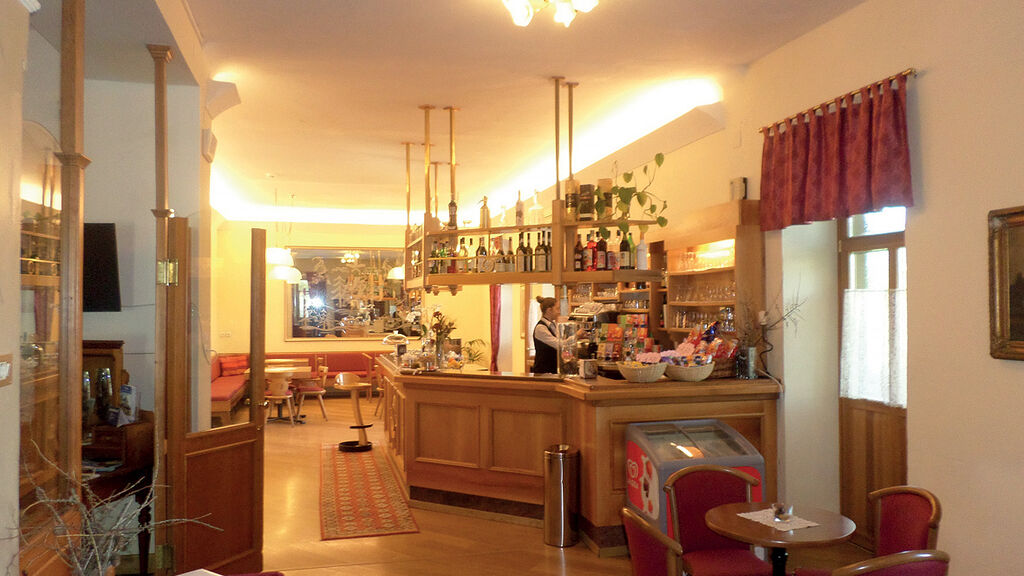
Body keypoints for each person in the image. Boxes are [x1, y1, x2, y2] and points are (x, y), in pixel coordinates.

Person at [533, 296, 583, 374]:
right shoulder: (541, 328)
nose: (559, 312)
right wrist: (577, 335)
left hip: (553, 370)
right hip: (544, 372)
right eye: (557, 309)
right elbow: (560, 344)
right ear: (549, 310)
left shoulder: (553, 325)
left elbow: (563, 344)